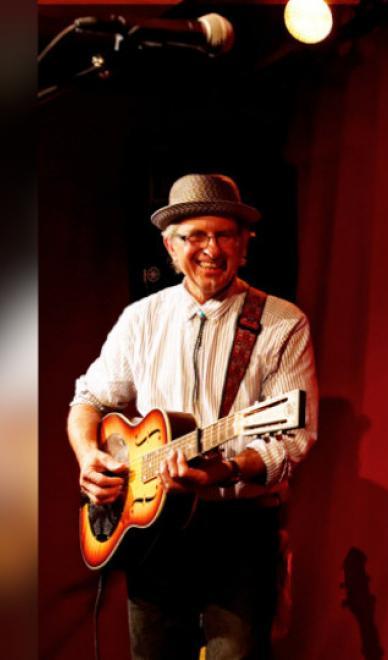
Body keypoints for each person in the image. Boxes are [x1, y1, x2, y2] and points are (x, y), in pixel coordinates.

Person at [68, 173, 318, 658]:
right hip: (153, 532)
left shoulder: (282, 322)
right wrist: (88, 457)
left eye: (224, 234)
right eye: (194, 236)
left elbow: (294, 438)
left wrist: (220, 471)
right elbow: (88, 399)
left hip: (242, 529)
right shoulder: (140, 319)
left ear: (244, 244)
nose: (210, 248)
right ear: (169, 245)